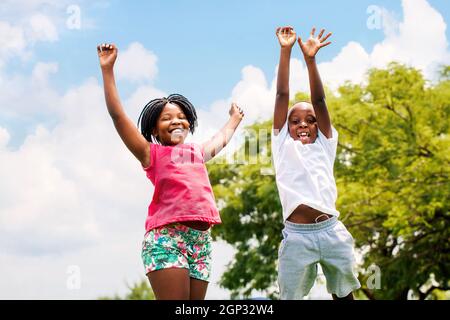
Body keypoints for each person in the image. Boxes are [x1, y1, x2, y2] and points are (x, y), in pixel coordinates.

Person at [97, 43, 244, 300]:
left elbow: (222, 138)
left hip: (200, 241)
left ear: (188, 124)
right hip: (167, 238)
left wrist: (234, 119)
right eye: (166, 118)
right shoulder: (151, 154)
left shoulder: (197, 152)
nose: (175, 120)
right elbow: (118, 117)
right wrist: (108, 70)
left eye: (180, 116)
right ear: (155, 131)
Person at [272, 27, 361, 299]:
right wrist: (285, 52)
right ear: (286, 127)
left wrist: (311, 61)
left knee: (344, 293)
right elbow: (282, 96)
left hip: (331, 231)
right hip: (297, 237)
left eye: (310, 120)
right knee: (290, 295)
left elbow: (319, 100)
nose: (303, 125)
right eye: (295, 121)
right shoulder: (282, 144)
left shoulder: (325, 143)